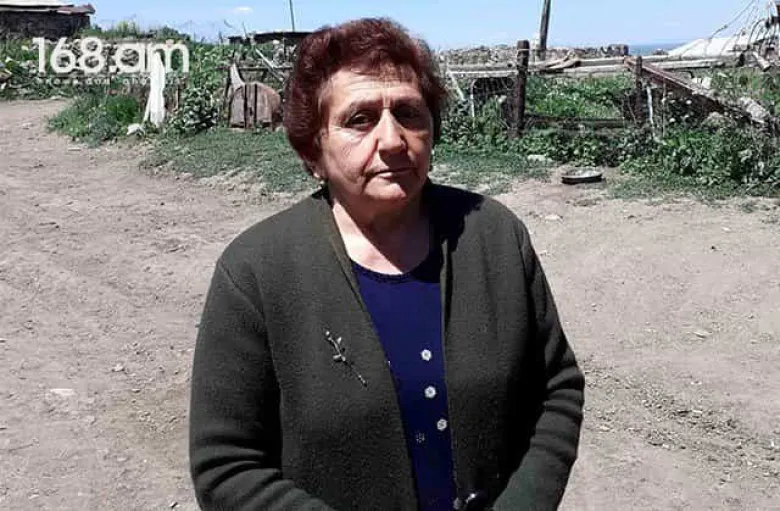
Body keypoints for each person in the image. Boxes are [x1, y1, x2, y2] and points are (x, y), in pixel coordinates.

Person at [188, 17, 585, 511]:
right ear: (313, 150)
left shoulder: (494, 236)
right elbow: (227, 467)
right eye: (360, 119)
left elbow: (557, 390)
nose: (393, 139)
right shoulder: (256, 273)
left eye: (409, 113)